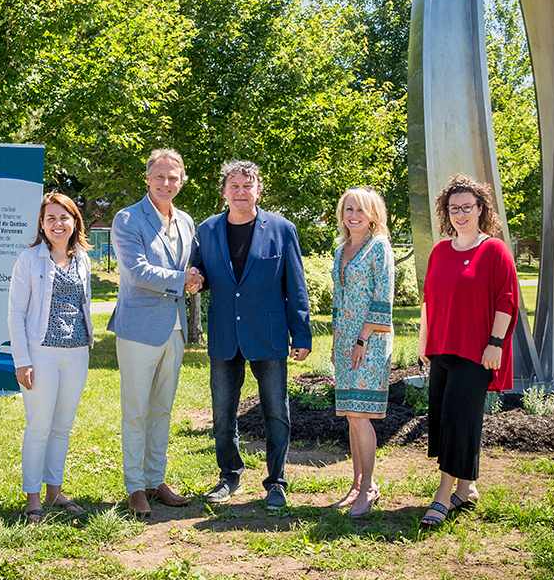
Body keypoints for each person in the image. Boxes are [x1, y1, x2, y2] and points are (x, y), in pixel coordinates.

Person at [191, 160, 311, 511]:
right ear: (224, 192)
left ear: (259, 190)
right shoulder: (208, 229)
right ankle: (229, 476)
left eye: (248, 185)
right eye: (234, 186)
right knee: (223, 411)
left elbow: (295, 283)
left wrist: (300, 333)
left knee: (275, 410)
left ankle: (276, 482)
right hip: (226, 335)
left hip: (269, 334)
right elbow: (203, 273)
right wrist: (195, 276)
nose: (241, 191)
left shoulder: (281, 229)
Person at [418, 174, 518, 528]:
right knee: (444, 421)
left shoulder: (494, 250)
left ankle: (443, 495)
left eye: (467, 207)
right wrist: (423, 339)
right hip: (442, 347)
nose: (460, 214)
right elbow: (429, 299)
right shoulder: (440, 251)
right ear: (447, 212)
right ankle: (467, 489)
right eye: (454, 208)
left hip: (477, 353)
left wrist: (495, 344)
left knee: (458, 420)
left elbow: (507, 300)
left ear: (481, 209)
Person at [108, 149, 198, 517]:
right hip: (137, 328)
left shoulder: (186, 221)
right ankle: (135, 488)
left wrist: (194, 280)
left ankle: (155, 479)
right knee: (135, 411)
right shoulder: (127, 219)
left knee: (162, 410)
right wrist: (183, 280)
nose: (166, 183)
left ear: (182, 181)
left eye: (173, 177)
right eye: (159, 176)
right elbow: (136, 271)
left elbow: (190, 267)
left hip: (175, 328)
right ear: (147, 178)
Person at [8, 192, 95, 523]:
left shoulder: (83, 260)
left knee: (62, 426)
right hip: (40, 353)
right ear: (42, 225)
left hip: (76, 354)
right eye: (51, 219)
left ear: (75, 222)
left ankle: (54, 492)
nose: (58, 224)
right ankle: (32, 498)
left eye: (64, 217)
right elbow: (15, 313)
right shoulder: (29, 260)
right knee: (39, 426)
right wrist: (22, 360)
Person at [329, 187, 395, 517]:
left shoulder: (379, 247)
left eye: (360, 210)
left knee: (359, 414)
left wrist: (362, 338)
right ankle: (357, 483)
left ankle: (369, 486)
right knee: (351, 418)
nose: (353, 215)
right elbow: (339, 300)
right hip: (345, 343)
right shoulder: (342, 249)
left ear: (372, 215)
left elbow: (384, 295)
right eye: (348, 209)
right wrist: (337, 341)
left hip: (370, 342)